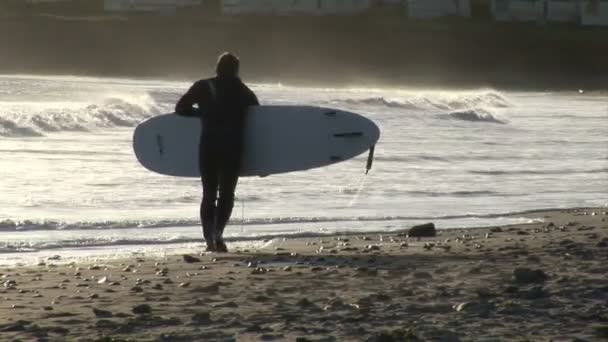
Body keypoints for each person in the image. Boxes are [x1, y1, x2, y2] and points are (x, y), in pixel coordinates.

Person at [175, 52, 259, 252]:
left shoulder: (203, 86)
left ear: (217, 67)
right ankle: (218, 234)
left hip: (209, 146)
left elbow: (181, 108)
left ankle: (209, 240)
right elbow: (259, 122)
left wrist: (202, 114)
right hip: (233, 147)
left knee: (209, 193)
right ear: (236, 70)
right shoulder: (244, 91)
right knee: (227, 194)